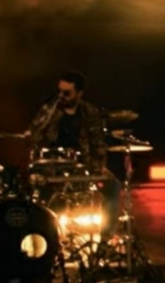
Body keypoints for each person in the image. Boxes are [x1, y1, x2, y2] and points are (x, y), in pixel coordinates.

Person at [28, 70, 121, 236]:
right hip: (51, 167)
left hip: (81, 165)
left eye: (67, 93)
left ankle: (106, 239)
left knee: (113, 186)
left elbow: (97, 143)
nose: (61, 96)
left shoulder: (89, 112)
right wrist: (49, 113)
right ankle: (45, 236)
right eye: (60, 91)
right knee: (37, 192)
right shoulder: (50, 109)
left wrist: (100, 167)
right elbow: (34, 135)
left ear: (79, 93)